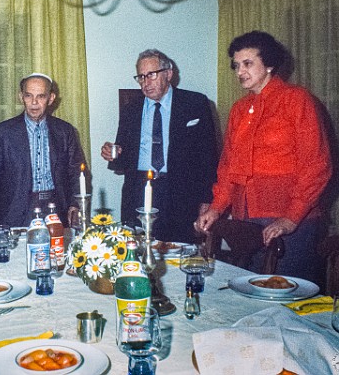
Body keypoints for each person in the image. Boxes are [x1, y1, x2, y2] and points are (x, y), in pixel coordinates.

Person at [195, 31, 331, 284]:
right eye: (236, 65)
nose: (239, 72)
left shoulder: (297, 100)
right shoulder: (239, 109)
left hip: (291, 221)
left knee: (290, 300)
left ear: (268, 64)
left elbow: (317, 165)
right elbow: (228, 168)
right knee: (252, 297)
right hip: (247, 219)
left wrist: (291, 218)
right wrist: (216, 208)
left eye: (248, 63)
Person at [102, 49, 218, 243]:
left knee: (181, 253)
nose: (146, 83)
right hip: (138, 191)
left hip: (181, 194)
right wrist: (113, 154)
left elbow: (208, 156)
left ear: (168, 74)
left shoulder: (195, 103)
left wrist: (207, 200)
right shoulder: (131, 109)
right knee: (137, 252)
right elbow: (122, 162)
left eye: (151, 75)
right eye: (141, 77)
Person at [0, 73, 87, 233]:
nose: (34, 102)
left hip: (56, 208)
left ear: (51, 98)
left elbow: (76, 172)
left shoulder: (65, 131)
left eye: (41, 96)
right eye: (29, 96)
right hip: (14, 211)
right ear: (21, 97)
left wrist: (74, 204)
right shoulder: (2, 133)